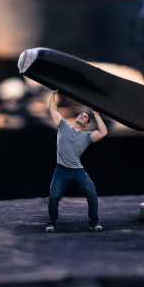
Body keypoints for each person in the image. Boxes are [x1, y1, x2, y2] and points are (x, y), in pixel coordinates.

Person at [45, 91, 108, 232]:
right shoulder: (64, 126)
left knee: (92, 195)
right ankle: (51, 223)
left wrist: (96, 115)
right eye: (81, 114)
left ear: (86, 124)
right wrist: (53, 94)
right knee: (54, 197)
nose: (82, 115)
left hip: (78, 171)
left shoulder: (86, 136)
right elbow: (53, 110)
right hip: (61, 170)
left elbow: (103, 132)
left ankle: (94, 222)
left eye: (85, 116)